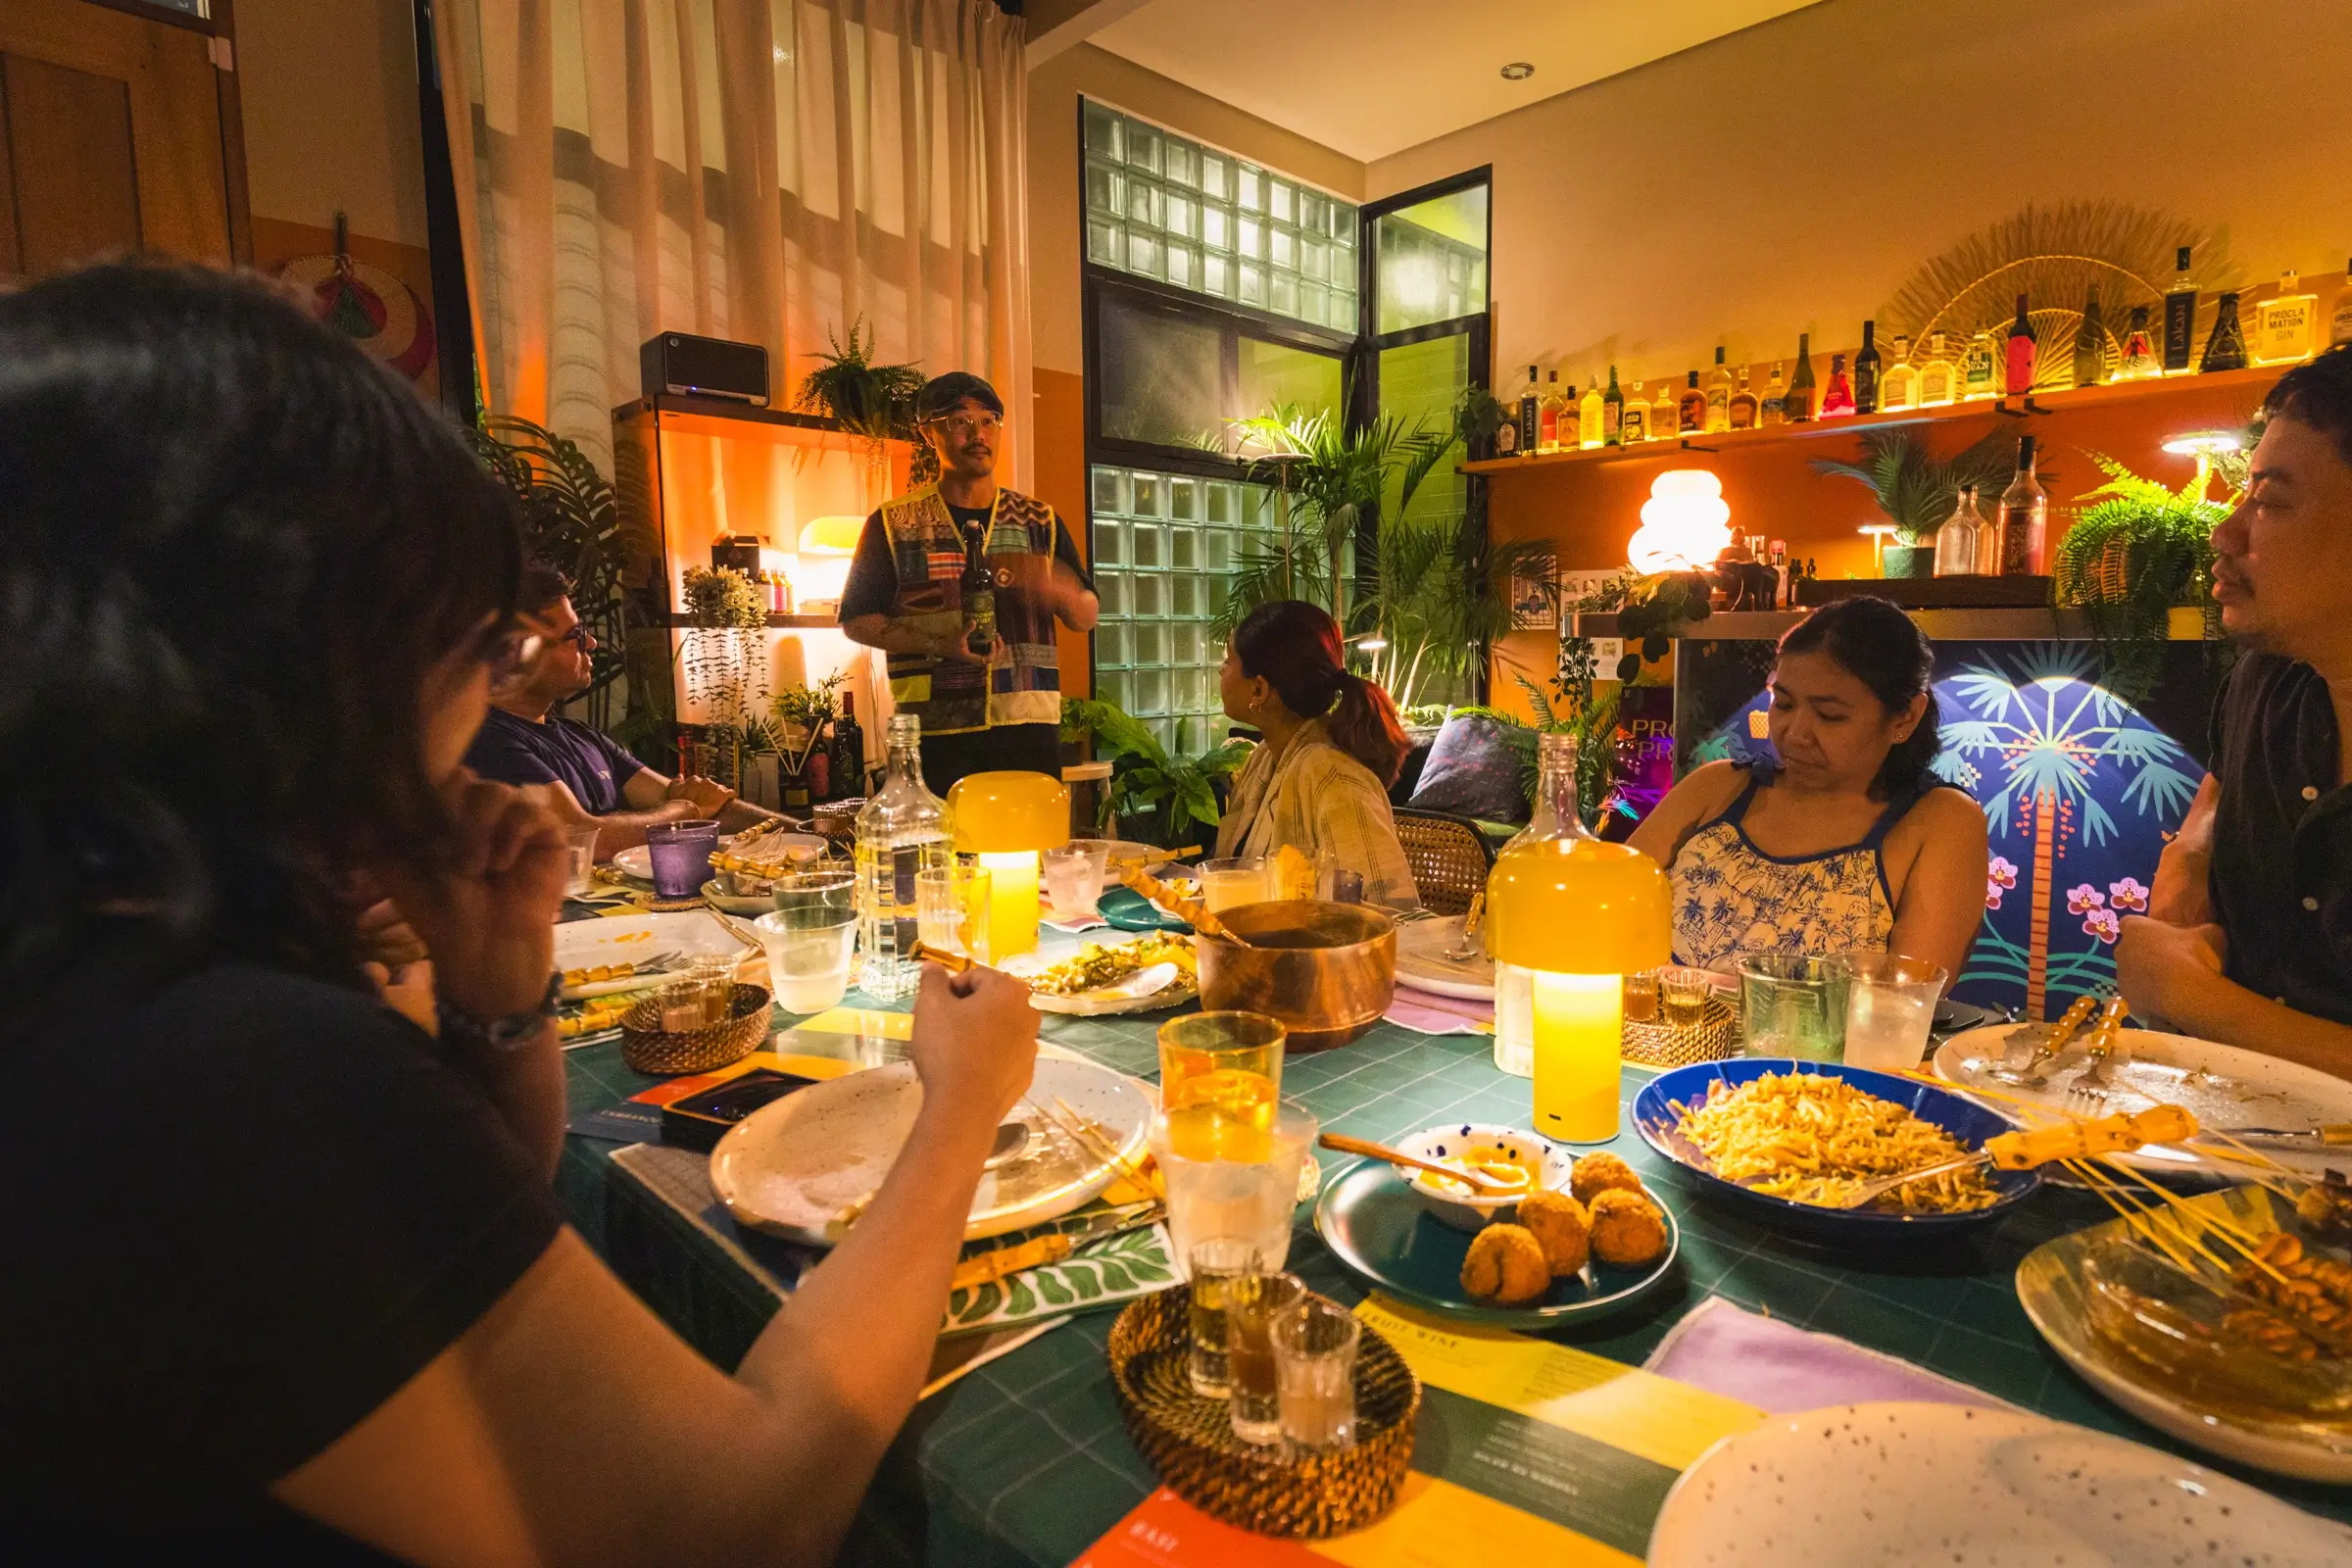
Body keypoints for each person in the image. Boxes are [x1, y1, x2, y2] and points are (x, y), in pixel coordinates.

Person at [0, 263, 1040, 1563]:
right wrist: (960, 1108)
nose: (477, 705)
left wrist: (497, 989)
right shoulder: (210, 1060)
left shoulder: (92, 964)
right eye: (470, 645)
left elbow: (493, 1205)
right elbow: (743, 1521)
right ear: (320, 658)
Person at [2118, 344, 2352, 1073]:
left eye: (2271, 503)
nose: (2223, 535)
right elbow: (2218, 791)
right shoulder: (2267, 683)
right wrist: (2189, 851)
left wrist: (2194, 998)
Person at [1628, 597, 1987, 983]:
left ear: (1905, 717)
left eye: (1830, 715)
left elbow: (1901, 1006)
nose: (1795, 734)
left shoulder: (1939, 821)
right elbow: (1601, 902)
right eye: (1782, 704)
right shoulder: (1717, 788)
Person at [839, 371, 1097, 797]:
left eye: (988, 420)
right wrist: (937, 643)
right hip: (934, 733)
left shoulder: (1040, 521)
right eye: (960, 421)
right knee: (942, 858)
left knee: (1030, 854)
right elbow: (855, 620)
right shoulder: (893, 524)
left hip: (1027, 727)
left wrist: (1060, 592)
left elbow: (1086, 617)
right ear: (928, 432)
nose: (977, 433)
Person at [465, 563, 778, 856]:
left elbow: (689, 798)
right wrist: (684, 811)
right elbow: (581, 837)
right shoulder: (487, 741)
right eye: (573, 636)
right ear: (517, 652)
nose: (590, 643)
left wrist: (815, 834)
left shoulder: (582, 737)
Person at [1214, 601, 1418, 908]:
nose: (1221, 669)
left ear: (1258, 690)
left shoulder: (1334, 778)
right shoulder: (1264, 759)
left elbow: (1391, 915)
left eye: (1229, 660)